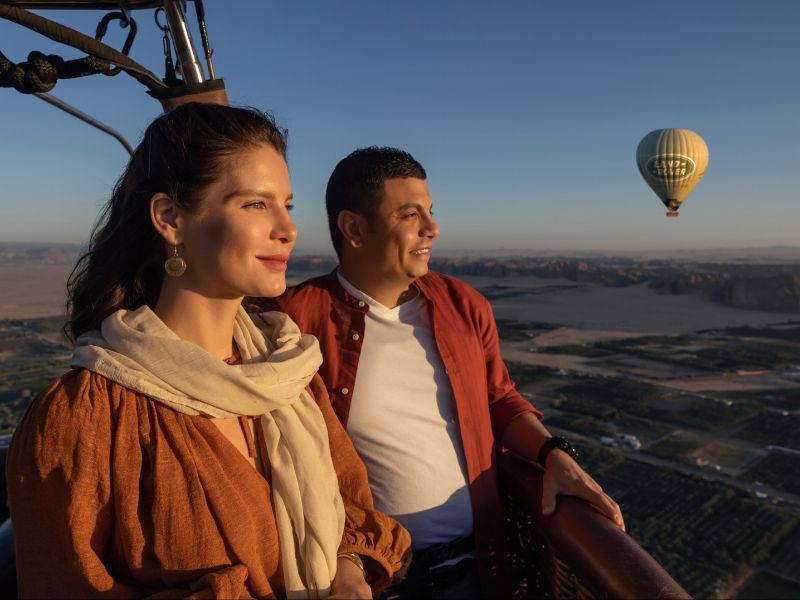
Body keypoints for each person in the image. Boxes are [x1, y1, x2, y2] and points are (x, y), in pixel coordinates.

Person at [6, 107, 410, 599]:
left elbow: (349, 509)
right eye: (255, 204)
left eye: (286, 205)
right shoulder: (85, 417)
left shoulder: (291, 374)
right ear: (170, 218)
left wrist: (348, 570)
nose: (288, 229)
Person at [262, 147, 626, 599]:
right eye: (410, 214)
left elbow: (498, 398)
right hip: (375, 579)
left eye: (430, 211)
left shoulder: (464, 306)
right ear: (354, 229)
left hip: (480, 566)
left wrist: (554, 454)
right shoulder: (294, 321)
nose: (432, 228)